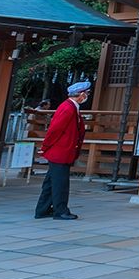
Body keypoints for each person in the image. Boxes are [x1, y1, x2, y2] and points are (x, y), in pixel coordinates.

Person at [34, 82, 90, 221]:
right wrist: (45, 146)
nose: (87, 96)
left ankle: (42, 209)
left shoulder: (71, 107)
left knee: (51, 182)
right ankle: (60, 211)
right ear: (81, 94)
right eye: (87, 93)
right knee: (60, 183)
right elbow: (54, 130)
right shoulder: (68, 108)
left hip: (62, 150)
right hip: (61, 151)